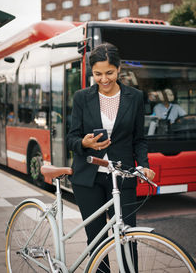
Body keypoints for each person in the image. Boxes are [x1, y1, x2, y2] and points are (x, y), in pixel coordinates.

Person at [67, 43, 155, 271]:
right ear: (92, 72)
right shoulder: (81, 98)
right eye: (98, 74)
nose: (103, 79)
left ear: (118, 69)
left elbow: (139, 139)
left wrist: (144, 165)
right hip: (88, 178)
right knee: (96, 239)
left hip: (123, 176)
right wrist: (83, 143)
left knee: (127, 236)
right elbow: (71, 138)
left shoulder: (135, 97)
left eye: (109, 72)